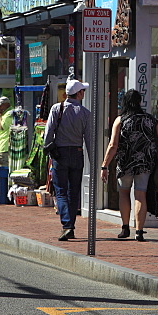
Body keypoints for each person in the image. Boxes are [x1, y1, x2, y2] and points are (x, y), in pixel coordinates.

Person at [100, 89, 158, 241]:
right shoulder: (150, 119)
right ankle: (139, 231)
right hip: (144, 163)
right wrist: (149, 143)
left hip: (125, 163)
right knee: (140, 195)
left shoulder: (121, 120)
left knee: (124, 193)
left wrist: (104, 165)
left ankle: (125, 228)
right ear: (139, 102)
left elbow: (113, 144)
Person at [44, 79, 92, 241]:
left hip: (60, 154)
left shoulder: (57, 108)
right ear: (78, 93)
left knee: (61, 191)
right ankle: (70, 224)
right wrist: (94, 162)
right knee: (73, 192)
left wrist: (48, 149)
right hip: (77, 153)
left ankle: (67, 225)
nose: (83, 94)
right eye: (82, 91)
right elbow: (89, 140)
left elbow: (48, 132)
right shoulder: (85, 113)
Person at [0, 96, 13, 203]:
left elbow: (3, 126)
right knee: (3, 172)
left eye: (0, 106)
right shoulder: (7, 113)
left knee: (3, 172)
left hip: (4, 147)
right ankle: (4, 196)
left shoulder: (8, 114)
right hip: (3, 145)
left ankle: (4, 197)